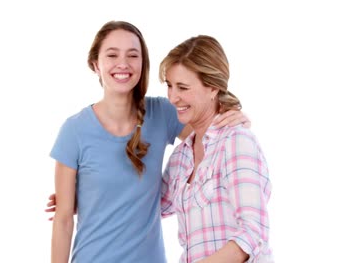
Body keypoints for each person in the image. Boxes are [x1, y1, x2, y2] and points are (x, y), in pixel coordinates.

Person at [49, 20, 249, 263]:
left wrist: (236, 117)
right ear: (95, 64)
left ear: (143, 64)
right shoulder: (74, 130)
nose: (123, 64)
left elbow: (213, 136)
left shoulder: (163, 113)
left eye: (133, 55)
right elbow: (63, 221)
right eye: (112, 55)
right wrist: (87, 199)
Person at [159, 35, 273, 262]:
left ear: (213, 88)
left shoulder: (236, 141)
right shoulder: (181, 157)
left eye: (182, 87)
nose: (172, 97)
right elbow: (146, 207)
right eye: (170, 86)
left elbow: (253, 232)